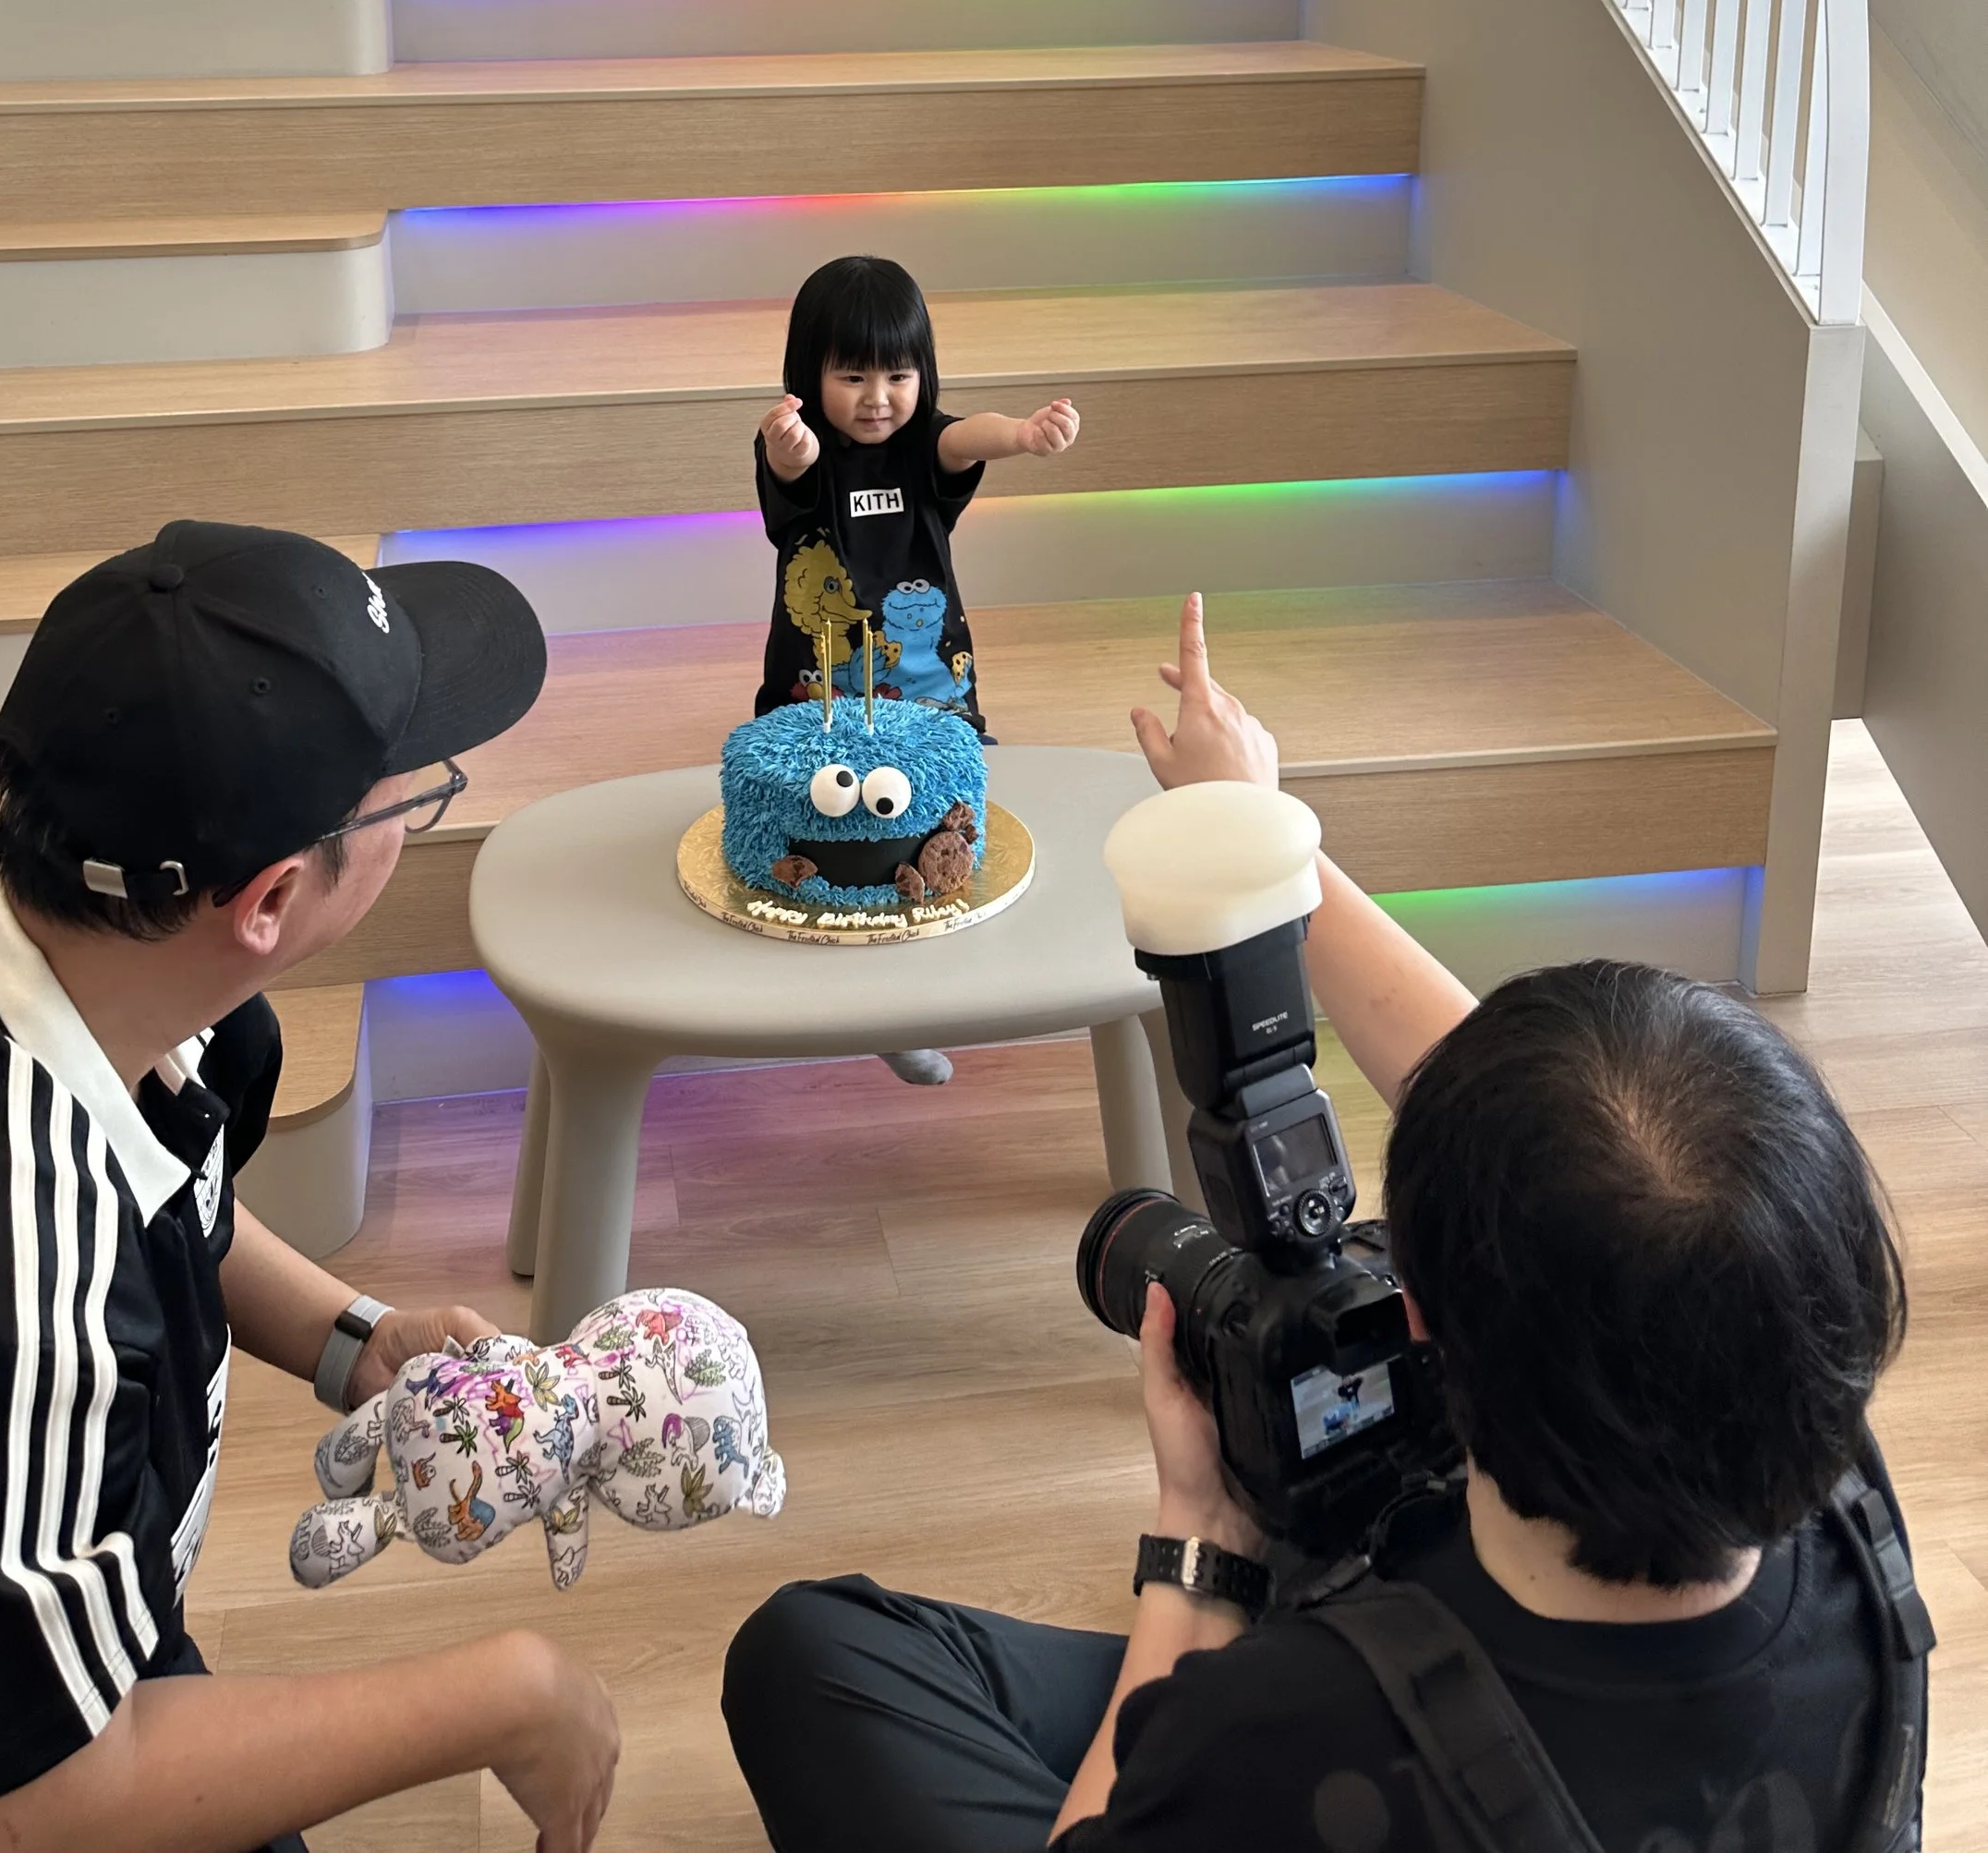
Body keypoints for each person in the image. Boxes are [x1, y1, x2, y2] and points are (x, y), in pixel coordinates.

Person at [723, 593, 1923, 1853]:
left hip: (1321, 1750)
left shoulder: (1289, 1732)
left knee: (813, 1654)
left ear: (1425, 1325)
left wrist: (1202, 1553)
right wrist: (1257, 828)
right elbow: (1557, 1143)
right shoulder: (1843, 1513)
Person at [0, 519, 621, 1853]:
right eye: (411, 798)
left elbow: (167, 1201)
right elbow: (34, 1806)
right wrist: (508, 1699)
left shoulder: (25, 943)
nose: (421, 810)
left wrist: (353, 1339)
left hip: (4, 1623)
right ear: (271, 897)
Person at [755, 253, 1079, 1085]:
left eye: (898, 375)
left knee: (939, 848)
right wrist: (786, 446)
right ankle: (868, 1003)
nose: (878, 397)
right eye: (852, 376)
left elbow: (967, 434)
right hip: (821, 702)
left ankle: (922, 1000)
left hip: (936, 701)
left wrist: (1023, 434)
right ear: (808, 374)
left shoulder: (922, 445)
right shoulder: (804, 449)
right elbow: (789, 469)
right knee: (844, 855)